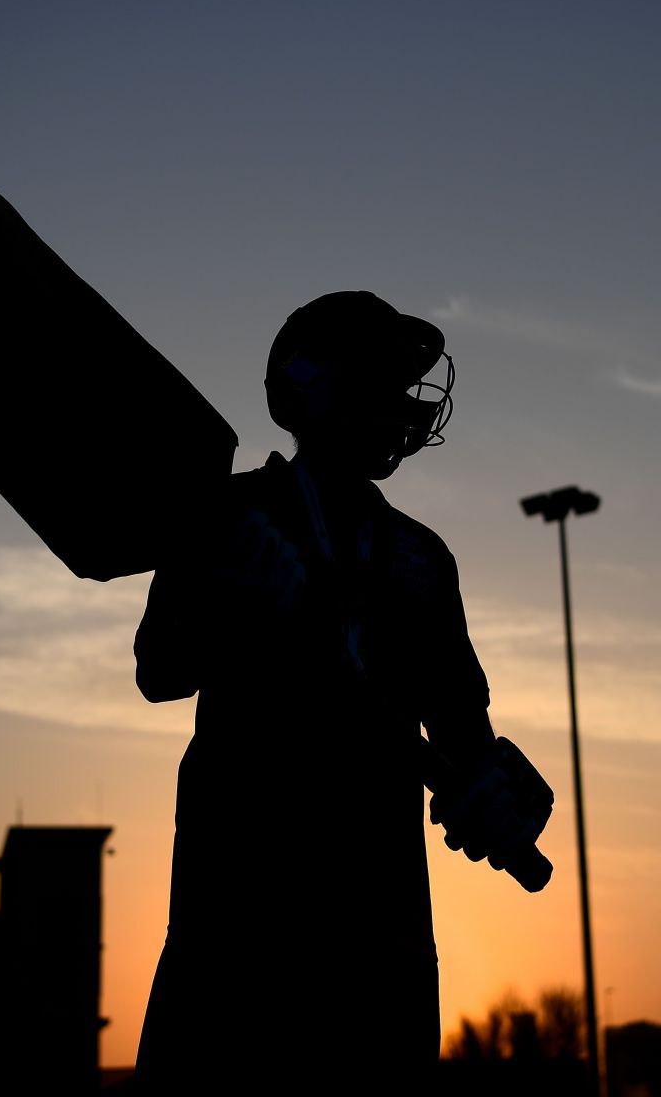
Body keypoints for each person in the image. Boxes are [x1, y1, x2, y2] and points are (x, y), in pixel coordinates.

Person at [133, 291, 553, 1094]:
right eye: (380, 378)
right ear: (306, 390)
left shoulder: (421, 556)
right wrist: (225, 604)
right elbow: (159, 669)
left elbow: (462, 730)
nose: (398, 402)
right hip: (239, 913)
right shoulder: (226, 517)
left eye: (403, 383)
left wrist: (500, 789)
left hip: (379, 922)